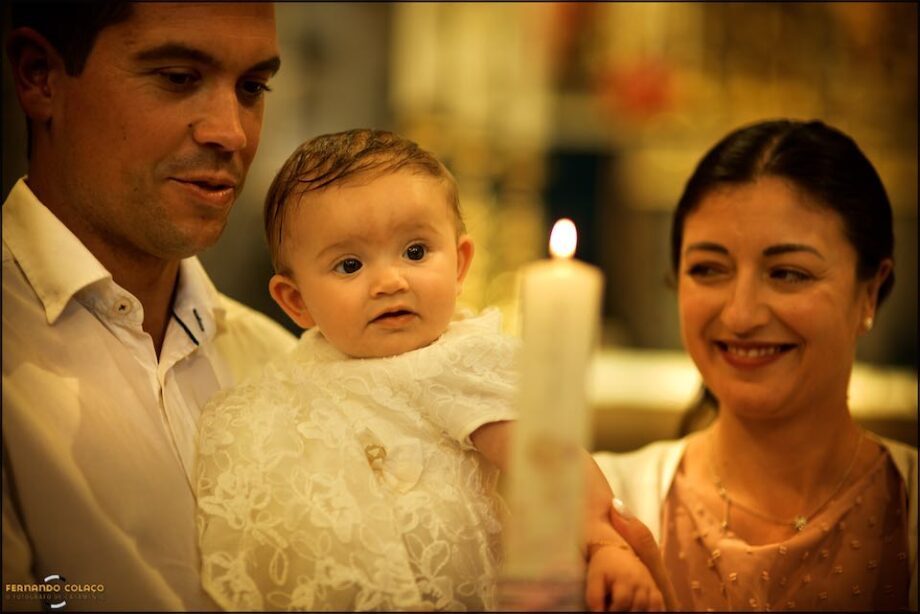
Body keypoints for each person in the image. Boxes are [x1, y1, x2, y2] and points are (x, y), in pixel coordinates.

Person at [195, 129, 665, 612]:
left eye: (415, 252)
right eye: (350, 265)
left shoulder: (456, 361)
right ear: (296, 301)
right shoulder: (285, 374)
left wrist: (605, 545)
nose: (389, 281)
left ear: (460, 265)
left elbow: (549, 460)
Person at [2, 3, 296, 610]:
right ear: (40, 77)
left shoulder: (283, 365)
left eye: (252, 87)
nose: (232, 133)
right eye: (178, 77)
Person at [594, 119, 917, 611]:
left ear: (869, 292)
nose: (741, 315)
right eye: (709, 269)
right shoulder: (608, 507)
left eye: (787, 273)